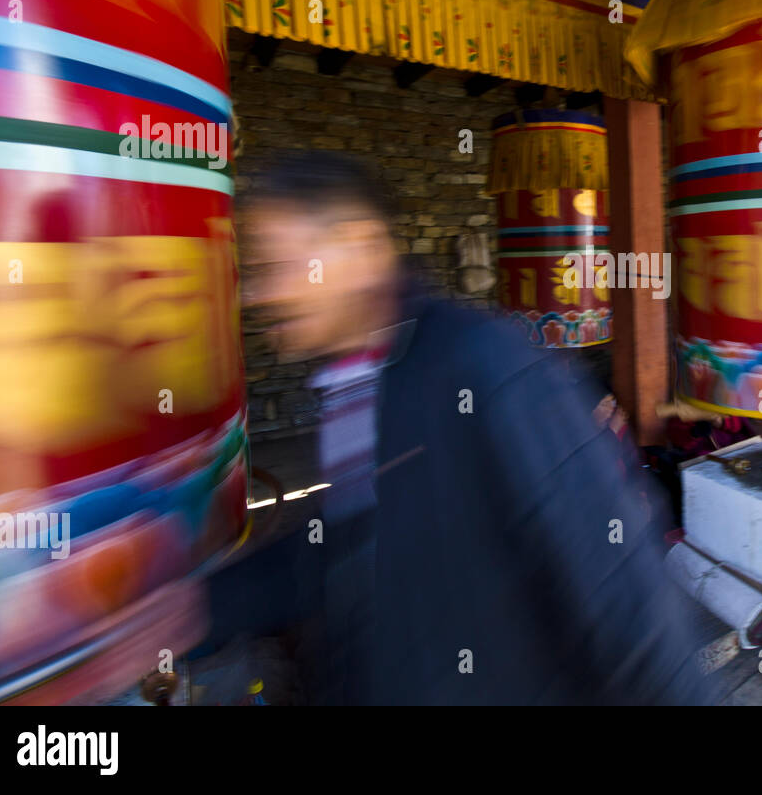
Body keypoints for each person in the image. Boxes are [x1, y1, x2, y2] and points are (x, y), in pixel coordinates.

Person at [235, 150, 708, 704]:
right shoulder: (352, 385)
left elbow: (626, 603)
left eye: (274, 268)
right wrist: (197, 609)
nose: (256, 296)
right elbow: (333, 550)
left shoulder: (488, 369)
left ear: (358, 248)